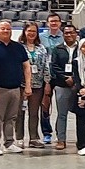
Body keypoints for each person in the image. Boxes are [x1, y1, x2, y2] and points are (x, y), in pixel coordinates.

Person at [0, 21, 32, 156]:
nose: (5, 31)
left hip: (15, 89)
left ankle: (9, 143)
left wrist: (27, 85)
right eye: (2, 29)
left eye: (8, 29)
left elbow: (26, 67)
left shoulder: (18, 48)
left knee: (11, 118)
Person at [16, 22, 51, 149]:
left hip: (38, 85)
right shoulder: (18, 47)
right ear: (24, 32)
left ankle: (34, 138)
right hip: (21, 85)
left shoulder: (41, 48)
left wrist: (47, 82)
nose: (31, 33)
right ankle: (19, 138)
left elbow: (46, 66)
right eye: (29, 31)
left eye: (34, 31)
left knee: (34, 112)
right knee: (20, 112)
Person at [49, 24, 79, 150]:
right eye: (66, 33)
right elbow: (54, 66)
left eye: (71, 32)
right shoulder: (57, 49)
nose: (69, 35)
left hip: (78, 85)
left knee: (80, 114)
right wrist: (66, 78)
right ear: (63, 34)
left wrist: (75, 78)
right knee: (62, 114)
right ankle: (61, 139)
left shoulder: (81, 48)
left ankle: (82, 139)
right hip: (62, 85)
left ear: (76, 34)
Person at [38, 12, 63, 143]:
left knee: (61, 104)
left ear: (60, 23)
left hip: (60, 74)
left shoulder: (65, 37)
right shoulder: (40, 37)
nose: (54, 23)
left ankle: (61, 133)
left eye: (56, 21)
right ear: (47, 23)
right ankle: (46, 132)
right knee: (45, 104)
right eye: (51, 21)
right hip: (44, 75)